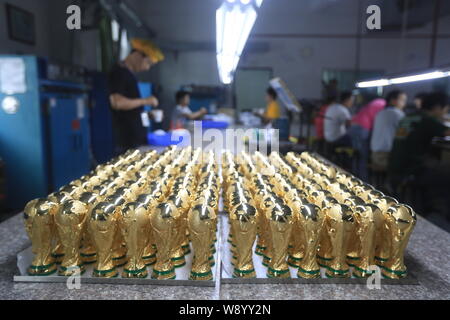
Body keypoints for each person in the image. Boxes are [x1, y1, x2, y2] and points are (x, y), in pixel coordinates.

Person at [388, 92, 450, 219]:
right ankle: (435, 211)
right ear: (437, 107)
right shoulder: (428, 120)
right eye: (445, 109)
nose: (444, 112)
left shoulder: (409, 117)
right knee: (445, 172)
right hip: (412, 167)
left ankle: (428, 204)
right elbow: (447, 132)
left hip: (394, 165)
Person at [108, 38, 164, 154]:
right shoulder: (119, 72)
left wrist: (147, 115)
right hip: (126, 142)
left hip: (136, 140)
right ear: (137, 55)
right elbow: (117, 102)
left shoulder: (130, 75)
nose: (147, 68)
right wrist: (146, 101)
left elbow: (131, 109)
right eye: (148, 63)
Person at [348, 98, 387, 180]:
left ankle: (354, 176)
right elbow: (377, 121)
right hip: (363, 128)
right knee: (363, 156)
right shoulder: (382, 104)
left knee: (356, 154)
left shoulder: (374, 102)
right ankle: (363, 180)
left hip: (353, 126)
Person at [370, 90, 407, 170]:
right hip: (386, 155)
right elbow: (404, 134)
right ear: (393, 101)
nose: (404, 103)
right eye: (402, 100)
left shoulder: (380, 113)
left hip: (374, 154)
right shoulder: (398, 114)